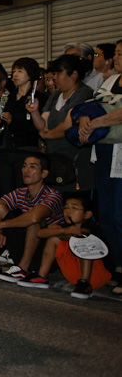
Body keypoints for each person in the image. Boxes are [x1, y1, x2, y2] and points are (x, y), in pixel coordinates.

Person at [0, 154, 63, 282]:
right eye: (24, 166)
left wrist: (1, 225)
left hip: (46, 255)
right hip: (25, 246)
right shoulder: (21, 192)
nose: (26, 170)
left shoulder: (53, 195)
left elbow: (34, 217)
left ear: (44, 173)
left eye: (32, 167)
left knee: (33, 220)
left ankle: (23, 269)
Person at [77, 38, 122, 293]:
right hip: (104, 150)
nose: (116, 57)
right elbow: (91, 106)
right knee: (105, 213)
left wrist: (96, 122)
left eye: (120, 53)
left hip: (120, 151)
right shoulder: (110, 81)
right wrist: (85, 119)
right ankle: (115, 266)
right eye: (115, 53)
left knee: (119, 213)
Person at [17, 195, 112, 299]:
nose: (68, 211)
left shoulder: (91, 226)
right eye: (66, 208)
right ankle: (42, 277)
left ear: (87, 214)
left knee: (84, 241)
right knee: (53, 239)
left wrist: (60, 232)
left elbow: (80, 234)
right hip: (74, 276)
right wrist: (63, 231)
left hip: (97, 274)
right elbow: (40, 233)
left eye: (74, 208)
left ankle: (85, 283)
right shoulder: (65, 227)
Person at [28, 54, 94, 193]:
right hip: (55, 159)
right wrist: (34, 112)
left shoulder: (84, 93)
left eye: (58, 73)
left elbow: (68, 125)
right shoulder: (55, 95)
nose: (54, 78)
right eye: (54, 74)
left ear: (74, 74)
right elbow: (42, 123)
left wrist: (46, 134)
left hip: (75, 160)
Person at [0, 57, 48, 196]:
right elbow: (2, 125)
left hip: (25, 151)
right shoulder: (9, 97)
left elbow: (36, 128)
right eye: (14, 71)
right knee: (5, 194)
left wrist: (12, 122)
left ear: (31, 74)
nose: (15, 75)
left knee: (22, 192)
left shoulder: (39, 98)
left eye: (20, 71)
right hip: (4, 150)